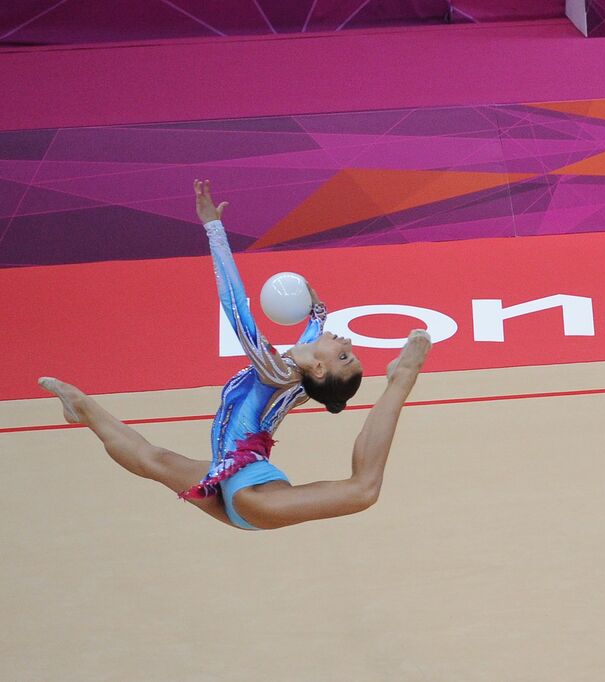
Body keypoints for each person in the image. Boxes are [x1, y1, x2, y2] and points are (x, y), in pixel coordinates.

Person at [35, 180, 432, 530]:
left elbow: (236, 310)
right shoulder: (299, 369)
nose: (347, 343)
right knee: (151, 458)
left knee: (363, 491)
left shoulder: (276, 371)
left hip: (252, 494)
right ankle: (82, 408)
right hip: (235, 481)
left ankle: (402, 377)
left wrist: (214, 229)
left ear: (319, 367)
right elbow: (315, 338)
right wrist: (317, 309)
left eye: (345, 356)